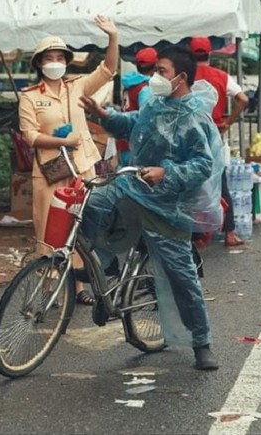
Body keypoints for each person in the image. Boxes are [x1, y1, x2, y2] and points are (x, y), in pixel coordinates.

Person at [79, 46, 224, 371]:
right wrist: (106, 117)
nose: (155, 77)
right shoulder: (154, 103)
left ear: (181, 78)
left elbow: (202, 164)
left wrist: (166, 173)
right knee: (92, 204)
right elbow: (135, 126)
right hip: (133, 187)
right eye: (155, 70)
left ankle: (201, 342)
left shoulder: (193, 117)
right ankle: (104, 271)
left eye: (162, 71)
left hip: (166, 206)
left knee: (182, 277)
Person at [18, 15, 119, 306]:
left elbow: (108, 69)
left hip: (82, 168)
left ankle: (77, 287)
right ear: (39, 62)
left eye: (60, 57)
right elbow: (30, 136)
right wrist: (63, 141)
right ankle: (51, 290)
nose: (55, 62)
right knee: (50, 230)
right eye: (49, 57)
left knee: (80, 226)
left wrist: (112, 37)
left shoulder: (76, 86)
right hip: (50, 170)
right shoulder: (29, 96)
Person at [189, 36, 248, 247]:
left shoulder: (184, 76)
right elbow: (243, 98)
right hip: (214, 137)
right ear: (210, 53)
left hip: (190, 138)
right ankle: (229, 233)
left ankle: (195, 234)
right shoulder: (222, 76)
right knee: (219, 182)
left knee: (192, 184)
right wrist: (228, 122)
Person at [116, 47, 154, 167]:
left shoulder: (129, 84)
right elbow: (146, 118)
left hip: (124, 142)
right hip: (138, 145)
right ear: (155, 67)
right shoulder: (145, 88)